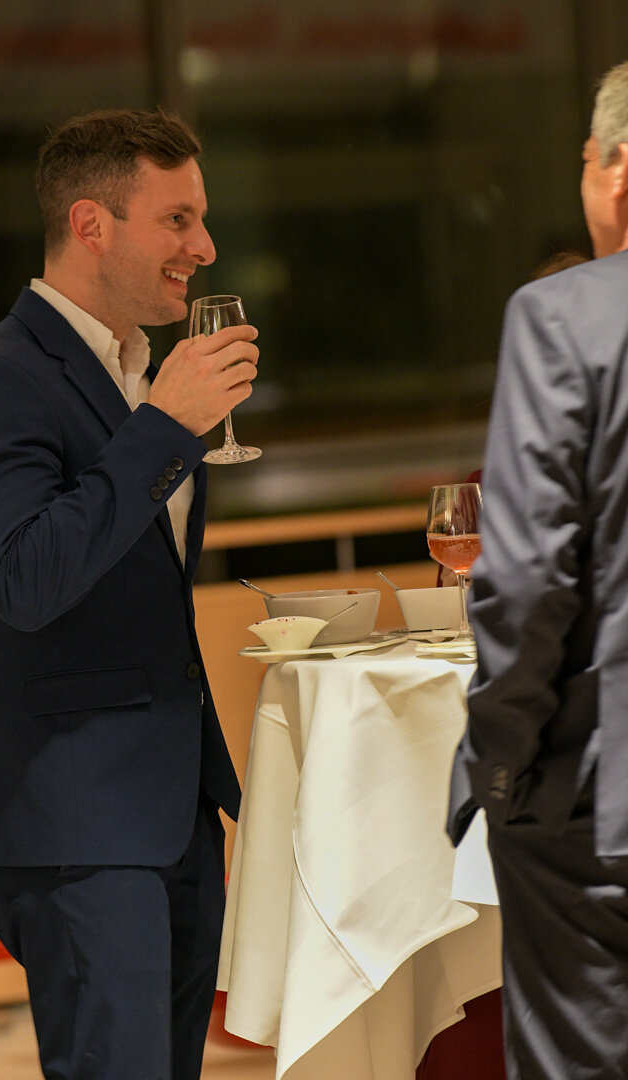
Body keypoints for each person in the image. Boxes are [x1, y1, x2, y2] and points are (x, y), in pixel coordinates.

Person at [0, 107, 259, 1080]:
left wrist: (163, 419)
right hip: (76, 815)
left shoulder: (139, 374)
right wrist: (164, 430)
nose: (204, 247)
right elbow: (26, 580)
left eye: (201, 219)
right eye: (177, 220)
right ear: (90, 225)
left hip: (172, 805)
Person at [448, 60, 628, 1079]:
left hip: (602, 806)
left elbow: (524, 582)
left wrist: (496, 768)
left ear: (617, 170)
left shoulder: (566, 315)